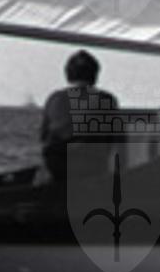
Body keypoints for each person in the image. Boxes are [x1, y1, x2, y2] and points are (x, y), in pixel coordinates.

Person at [40, 50, 122, 187]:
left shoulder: (54, 98)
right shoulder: (107, 99)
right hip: (91, 168)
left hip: (58, 168)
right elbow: (116, 139)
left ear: (68, 74)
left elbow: (43, 136)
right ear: (95, 75)